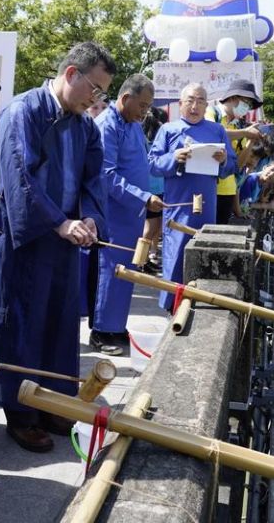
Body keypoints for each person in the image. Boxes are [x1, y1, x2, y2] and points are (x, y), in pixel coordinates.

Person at [0, 42, 112, 453]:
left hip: (65, 239)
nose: (96, 99)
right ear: (71, 74)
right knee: (22, 325)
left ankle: (52, 404)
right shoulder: (23, 112)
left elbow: (93, 180)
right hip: (27, 241)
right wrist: (59, 222)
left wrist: (89, 219)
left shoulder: (85, 126)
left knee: (59, 326)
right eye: (95, 88)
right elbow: (19, 179)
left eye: (102, 92)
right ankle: (21, 414)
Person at [149, 83, 236, 310]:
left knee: (203, 249)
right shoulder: (168, 129)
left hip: (207, 202)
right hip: (179, 203)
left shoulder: (217, 130)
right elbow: (152, 165)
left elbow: (233, 164)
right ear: (180, 104)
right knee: (175, 254)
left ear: (206, 105)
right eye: (190, 100)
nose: (194, 106)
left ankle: (200, 302)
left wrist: (224, 160)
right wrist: (174, 157)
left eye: (200, 101)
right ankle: (171, 305)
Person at [90, 75, 160, 355]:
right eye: (142, 105)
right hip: (113, 211)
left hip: (131, 212)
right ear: (125, 98)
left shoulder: (133, 124)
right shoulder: (107, 125)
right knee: (112, 271)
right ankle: (101, 330)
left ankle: (116, 325)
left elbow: (143, 161)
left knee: (127, 272)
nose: (145, 111)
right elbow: (106, 176)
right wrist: (144, 197)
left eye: (148, 106)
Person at [204, 79, 263, 223]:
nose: (247, 108)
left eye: (249, 105)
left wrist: (251, 140)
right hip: (207, 187)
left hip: (228, 190)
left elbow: (239, 165)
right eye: (246, 102)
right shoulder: (212, 112)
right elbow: (213, 133)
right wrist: (245, 133)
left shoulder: (239, 126)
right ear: (234, 97)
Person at [140, 108, 167, 274]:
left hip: (157, 186)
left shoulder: (145, 138)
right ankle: (141, 259)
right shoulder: (145, 140)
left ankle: (149, 256)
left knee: (155, 226)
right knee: (150, 227)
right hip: (151, 189)